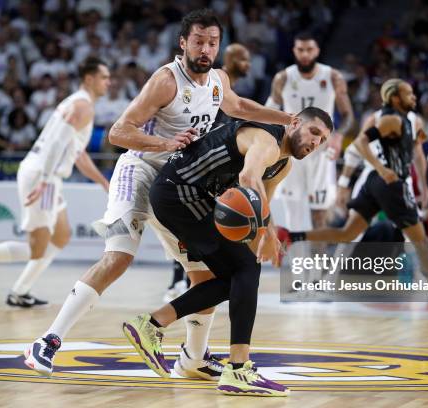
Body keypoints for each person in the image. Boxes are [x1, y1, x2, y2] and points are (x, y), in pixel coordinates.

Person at [23, 9, 291, 381]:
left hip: (181, 183)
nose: (205, 48)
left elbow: (241, 107)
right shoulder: (166, 80)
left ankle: (193, 359)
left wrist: (286, 119)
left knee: (205, 273)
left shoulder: (218, 79)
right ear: (183, 43)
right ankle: (48, 340)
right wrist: (164, 141)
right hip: (141, 170)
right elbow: (118, 132)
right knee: (118, 256)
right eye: (198, 41)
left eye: (212, 42)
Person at [124, 107, 334, 397]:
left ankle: (151, 324)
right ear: (295, 123)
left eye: (322, 140)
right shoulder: (266, 140)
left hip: (194, 196)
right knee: (245, 269)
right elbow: (249, 180)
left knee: (238, 274)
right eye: (314, 132)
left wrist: (262, 236)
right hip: (179, 191)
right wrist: (269, 233)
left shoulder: (283, 165)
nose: (315, 142)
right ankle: (238, 369)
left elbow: (262, 203)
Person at [278, 79, 428, 311]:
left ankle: (293, 236)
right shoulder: (382, 118)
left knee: (349, 232)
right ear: (394, 97)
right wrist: (346, 181)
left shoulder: (416, 121)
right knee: (418, 239)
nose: (414, 97)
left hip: (387, 181)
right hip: (384, 179)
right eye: (409, 93)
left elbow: (419, 156)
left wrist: (424, 188)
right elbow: (357, 147)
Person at [0, 57, 110, 307]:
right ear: (89, 79)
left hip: (45, 174)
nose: (109, 82)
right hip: (43, 176)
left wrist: (102, 181)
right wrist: (45, 181)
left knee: (62, 236)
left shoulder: (76, 103)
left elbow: (76, 152)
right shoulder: (83, 106)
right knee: (37, 250)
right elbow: (56, 145)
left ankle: (20, 291)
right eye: (104, 77)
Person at [164, 42, 251, 303]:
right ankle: (178, 280)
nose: (248, 63)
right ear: (231, 58)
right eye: (243, 58)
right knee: (188, 230)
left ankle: (195, 279)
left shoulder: (229, 88)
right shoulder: (215, 81)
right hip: (199, 164)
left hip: (219, 167)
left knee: (206, 229)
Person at [266, 31, 353, 232]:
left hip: (320, 151)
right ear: (294, 51)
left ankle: (318, 261)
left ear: (317, 51)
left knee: (320, 213)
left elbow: (348, 116)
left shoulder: (332, 77)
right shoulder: (283, 78)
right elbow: (268, 112)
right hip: (292, 149)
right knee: (292, 212)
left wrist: (338, 135)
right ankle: (299, 261)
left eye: (309, 49)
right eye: (301, 50)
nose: (305, 54)